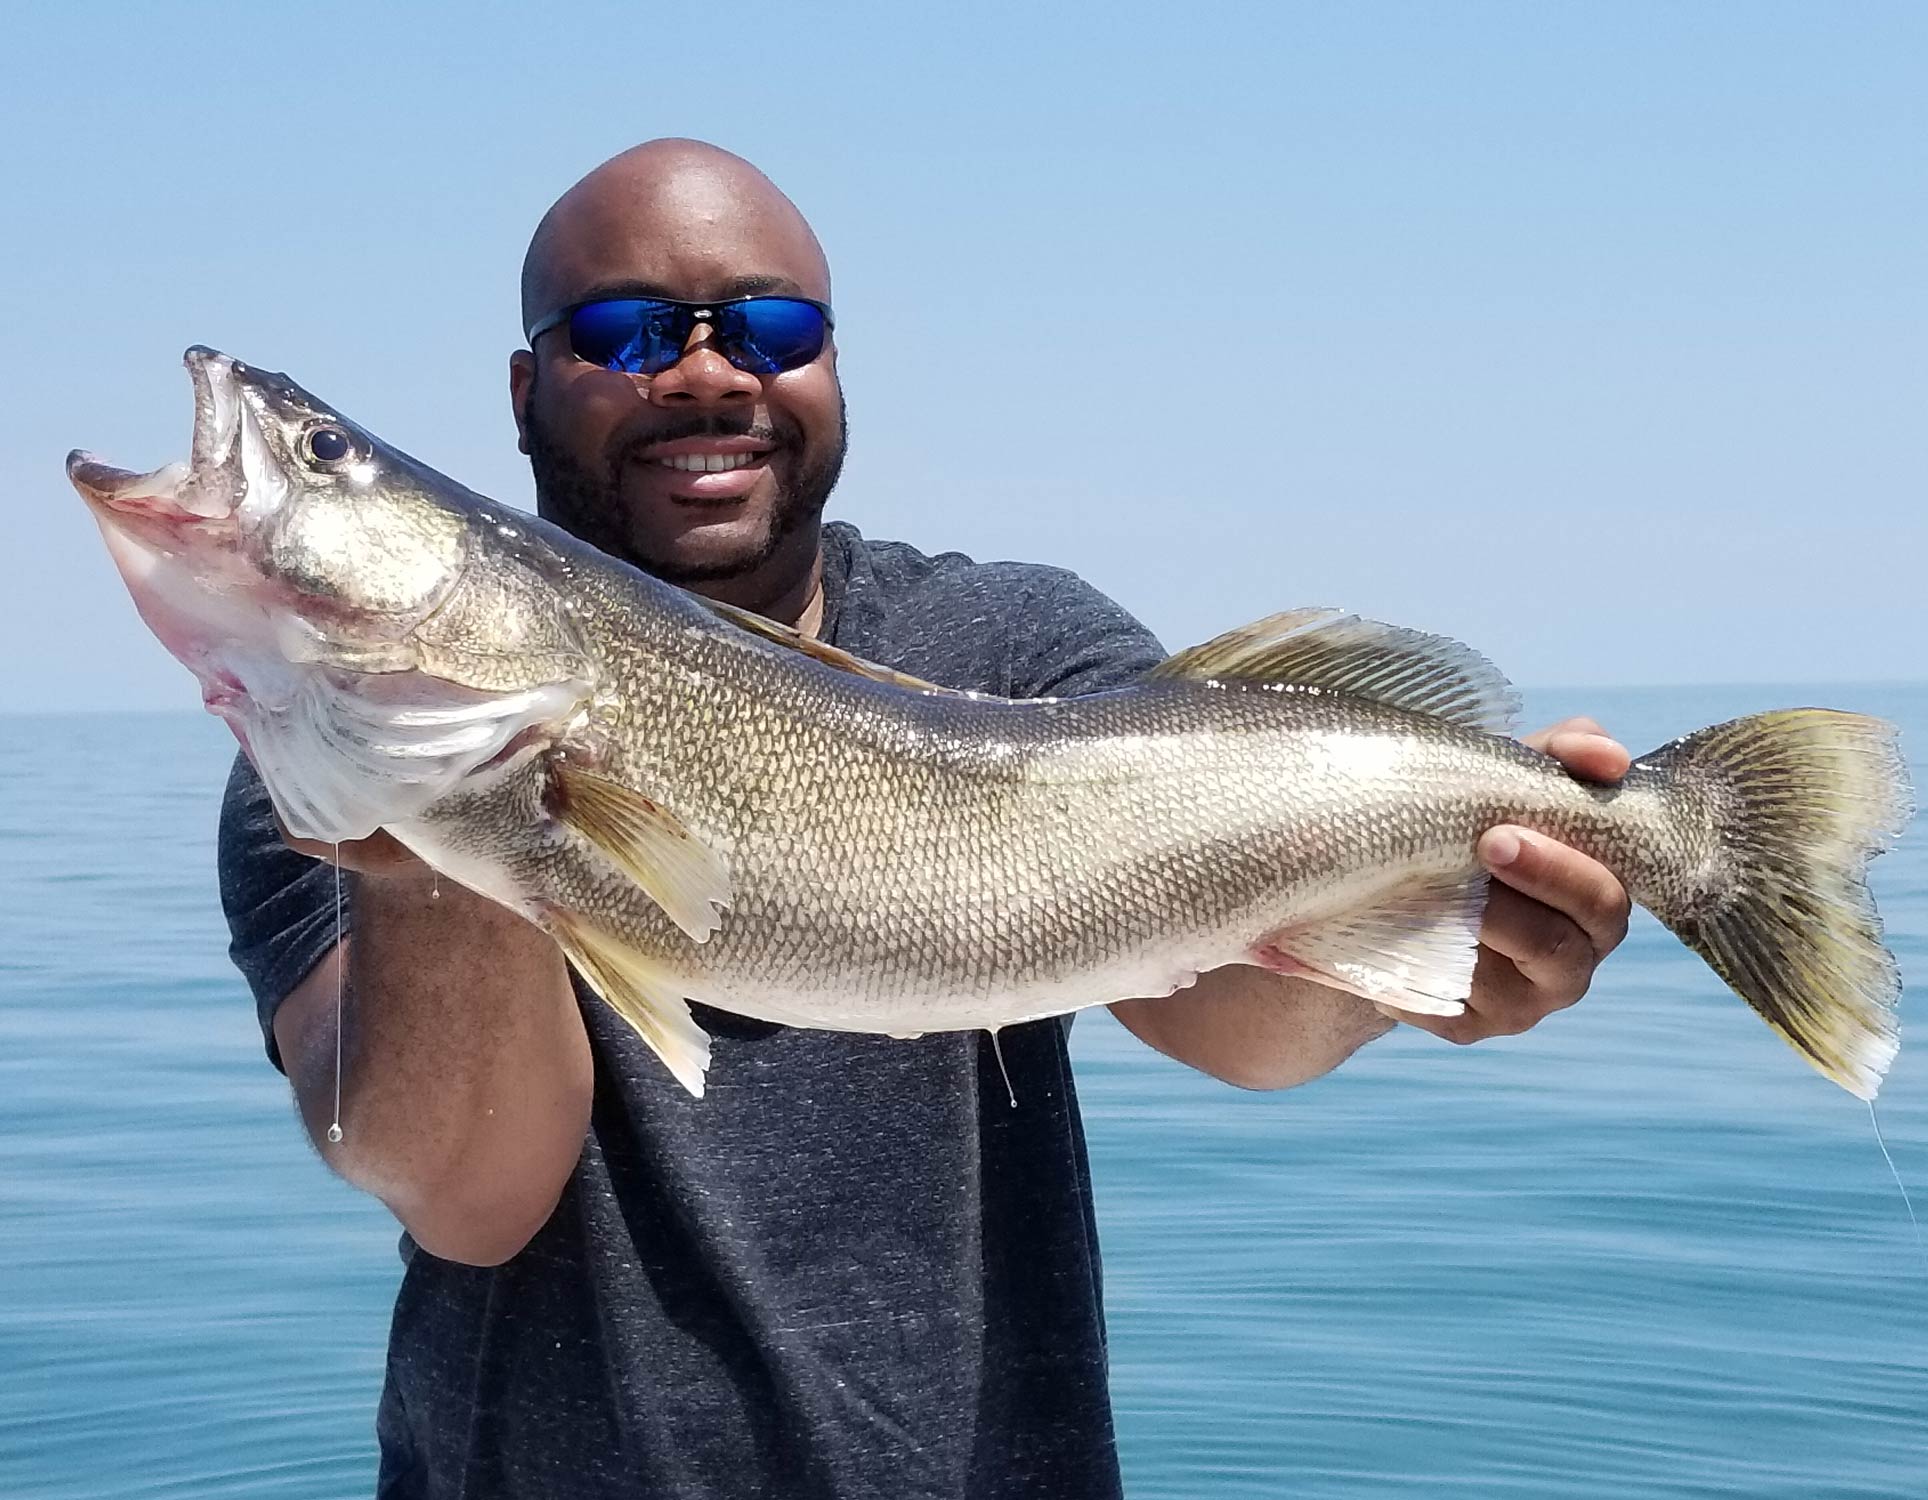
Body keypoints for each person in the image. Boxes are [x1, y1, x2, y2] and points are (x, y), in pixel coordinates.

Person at [218, 139, 1634, 1499]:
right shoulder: (320, 775)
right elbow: (468, 1193)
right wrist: (431, 841)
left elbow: (1234, 1027)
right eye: (633, 333)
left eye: (773, 329)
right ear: (527, 388)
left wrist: (1434, 962)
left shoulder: (1013, 645)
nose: (712, 373)